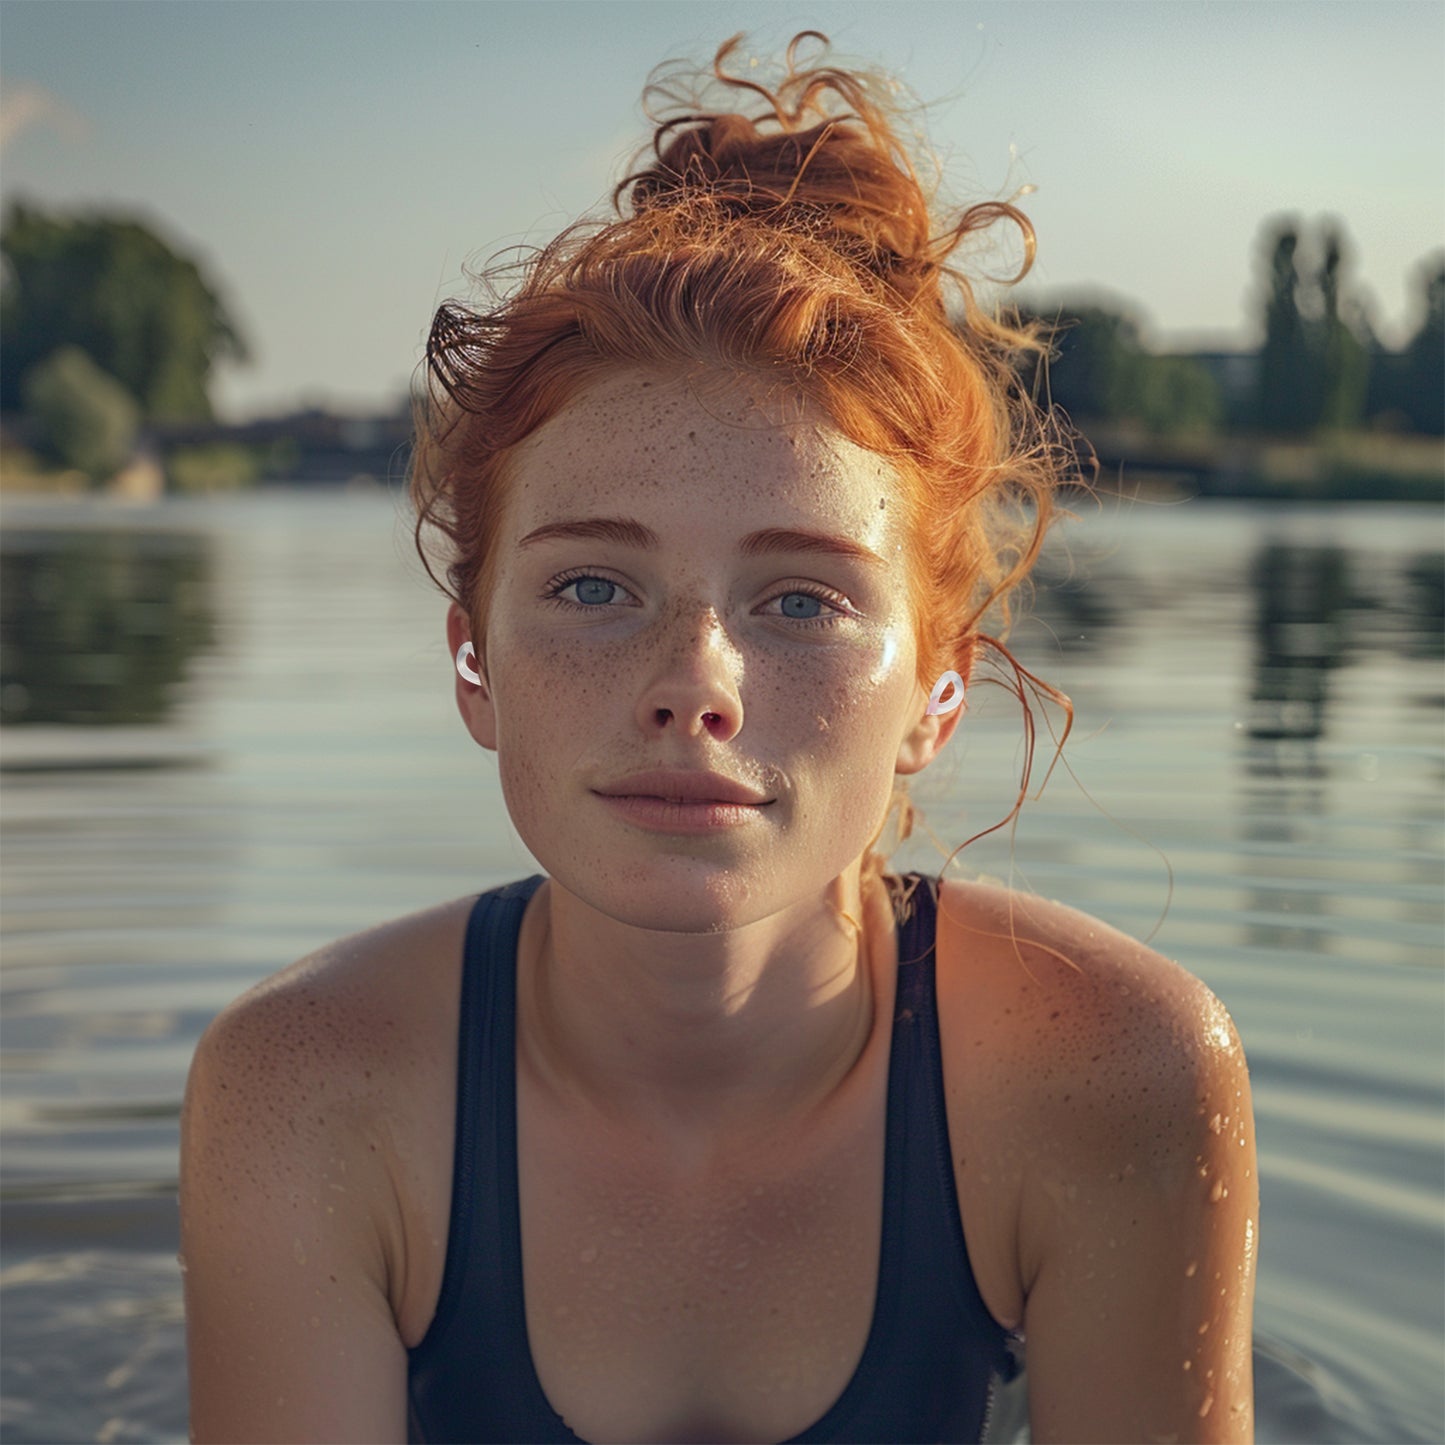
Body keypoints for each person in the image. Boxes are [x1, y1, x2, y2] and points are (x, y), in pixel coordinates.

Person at [180, 32, 1258, 1445]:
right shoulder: (305, 1091)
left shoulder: (1111, 1076)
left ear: (936, 695)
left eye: (800, 599)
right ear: (470, 661)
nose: (695, 683)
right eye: (591, 586)